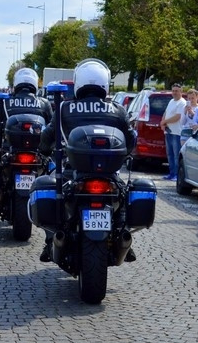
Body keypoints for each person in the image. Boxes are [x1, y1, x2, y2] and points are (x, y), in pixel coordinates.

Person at [38, 58, 136, 262]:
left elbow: (47, 138)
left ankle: (51, 240)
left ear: (78, 81)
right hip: (109, 175)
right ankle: (124, 235)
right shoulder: (118, 109)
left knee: (51, 193)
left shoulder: (64, 107)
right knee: (123, 197)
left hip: (72, 172)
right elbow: (130, 141)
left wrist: (44, 150)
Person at [0, 67, 54, 141]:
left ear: (16, 83)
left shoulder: (5, 102)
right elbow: (52, 128)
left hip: (10, 147)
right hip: (38, 148)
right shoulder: (44, 103)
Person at [159, 83, 186, 182]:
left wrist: (165, 121)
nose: (174, 93)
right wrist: (162, 123)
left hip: (176, 132)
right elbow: (166, 113)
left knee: (176, 154)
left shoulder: (182, 102)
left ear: (181, 92)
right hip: (168, 131)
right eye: (173, 90)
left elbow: (178, 117)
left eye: (176, 91)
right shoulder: (171, 101)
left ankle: (176, 174)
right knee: (169, 154)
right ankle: (171, 173)